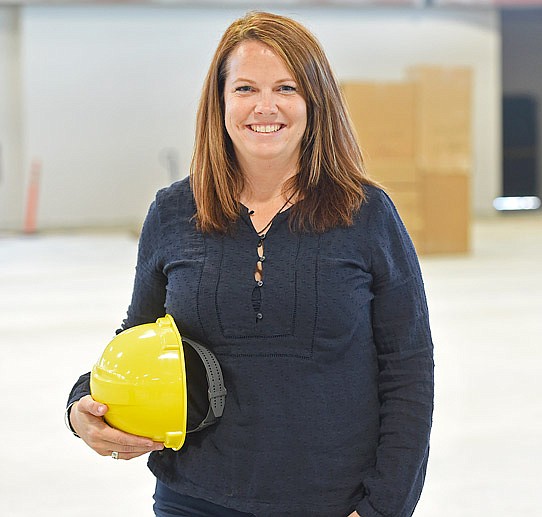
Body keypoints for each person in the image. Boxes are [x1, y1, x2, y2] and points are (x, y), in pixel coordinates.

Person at [65, 11, 434, 517]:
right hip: (194, 497)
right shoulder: (174, 212)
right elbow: (139, 336)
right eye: (244, 89)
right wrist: (81, 406)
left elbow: (408, 368)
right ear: (220, 103)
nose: (265, 106)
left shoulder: (365, 213)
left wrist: (383, 507)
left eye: (286, 87)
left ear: (315, 100)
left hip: (332, 501)